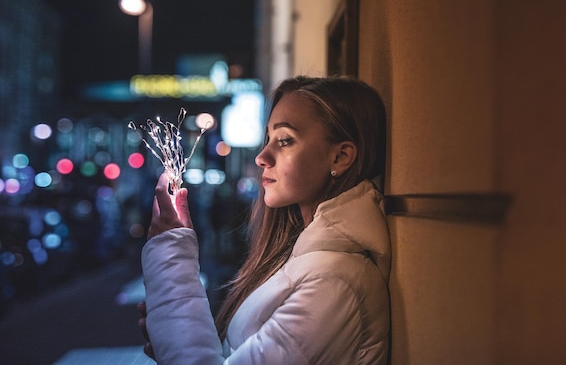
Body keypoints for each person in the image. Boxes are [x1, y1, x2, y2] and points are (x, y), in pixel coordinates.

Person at [139, 75, 391, 365]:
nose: (262, 156)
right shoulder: (305, 259)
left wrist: (171, 262)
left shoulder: (335, 282)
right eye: (268, 138)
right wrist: (172, 340)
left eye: (284, 140)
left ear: (340, 157)